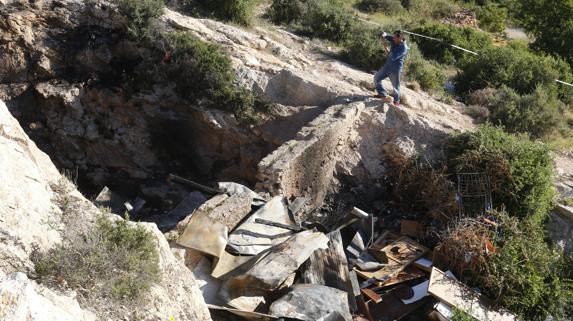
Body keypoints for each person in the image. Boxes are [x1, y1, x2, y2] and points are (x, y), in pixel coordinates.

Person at [373, 30, 409, 106]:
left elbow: (392, 56)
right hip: (387, 66)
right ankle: (382, 94)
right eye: (394, 37)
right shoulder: (394, 39)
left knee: (396, 87)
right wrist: (384, 34)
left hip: (395, 69)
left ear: (401, 39)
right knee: (376, 78)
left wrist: (385, 46)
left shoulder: (403, 48)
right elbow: (387, 36)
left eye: (395, 38)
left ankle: (396, 102)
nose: (393, 39)